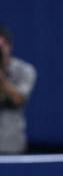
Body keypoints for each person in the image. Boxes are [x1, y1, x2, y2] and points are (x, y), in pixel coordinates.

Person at [0, 23, 37, 154]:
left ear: (9, 47)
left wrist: (2, 80)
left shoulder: (25, 70)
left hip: (11, 146)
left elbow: (18, 99)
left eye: (1, 46)